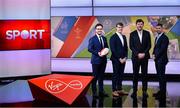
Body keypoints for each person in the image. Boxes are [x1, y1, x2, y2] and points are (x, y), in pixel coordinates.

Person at [129, 19, 151, 98]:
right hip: (135, 57)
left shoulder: (147, 33)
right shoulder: (132, 34)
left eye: (141, 24)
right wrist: (138, 54)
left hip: (145, 57)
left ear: (143, 25)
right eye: (138, 24)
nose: (140, 25)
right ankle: (134, 91)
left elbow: (149, 45)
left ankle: (144, 91)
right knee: (135, 74)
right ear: (136, 25)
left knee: (144, 74)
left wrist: (144, 53)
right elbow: (131, 46)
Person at [88, 23, 109, 98]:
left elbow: (106, 47)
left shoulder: (104, 38)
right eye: (98, 29)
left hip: (103, 60)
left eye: (100, 29)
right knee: (95, 77)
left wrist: (106, 51)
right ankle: (94, 92)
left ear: (102, 29)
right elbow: (89, 49)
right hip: (96, 61)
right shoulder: (92, 39)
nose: (99, 30)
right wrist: (98, 53)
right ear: (95, 30)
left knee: (101, 76)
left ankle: (101, 91)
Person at [152, 23, 169, 107]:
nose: (158, 29)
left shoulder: (165, 38)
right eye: (157, 28)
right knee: (159, 76)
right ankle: (161, 91)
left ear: (162, 29)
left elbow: (162, 49)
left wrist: (155, 56)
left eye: (159, 28)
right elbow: (155, 47)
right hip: (157, 59)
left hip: (161, 60)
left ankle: (163, 93)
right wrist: (153, 53)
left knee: (162, 76)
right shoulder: (157, 37)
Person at [110, 22, 128, 97]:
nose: (120, 28)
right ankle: (114, 90)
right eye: (118, 27)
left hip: (123, 59)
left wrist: (125, 57)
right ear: (116, 28)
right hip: (116, 59)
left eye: (121, 27)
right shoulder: (113, 37)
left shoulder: (124, 37)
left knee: (121, 74)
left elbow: (126, 48)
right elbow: (113, 49)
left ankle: (120, 89)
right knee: (115, 74)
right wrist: (119, 58)